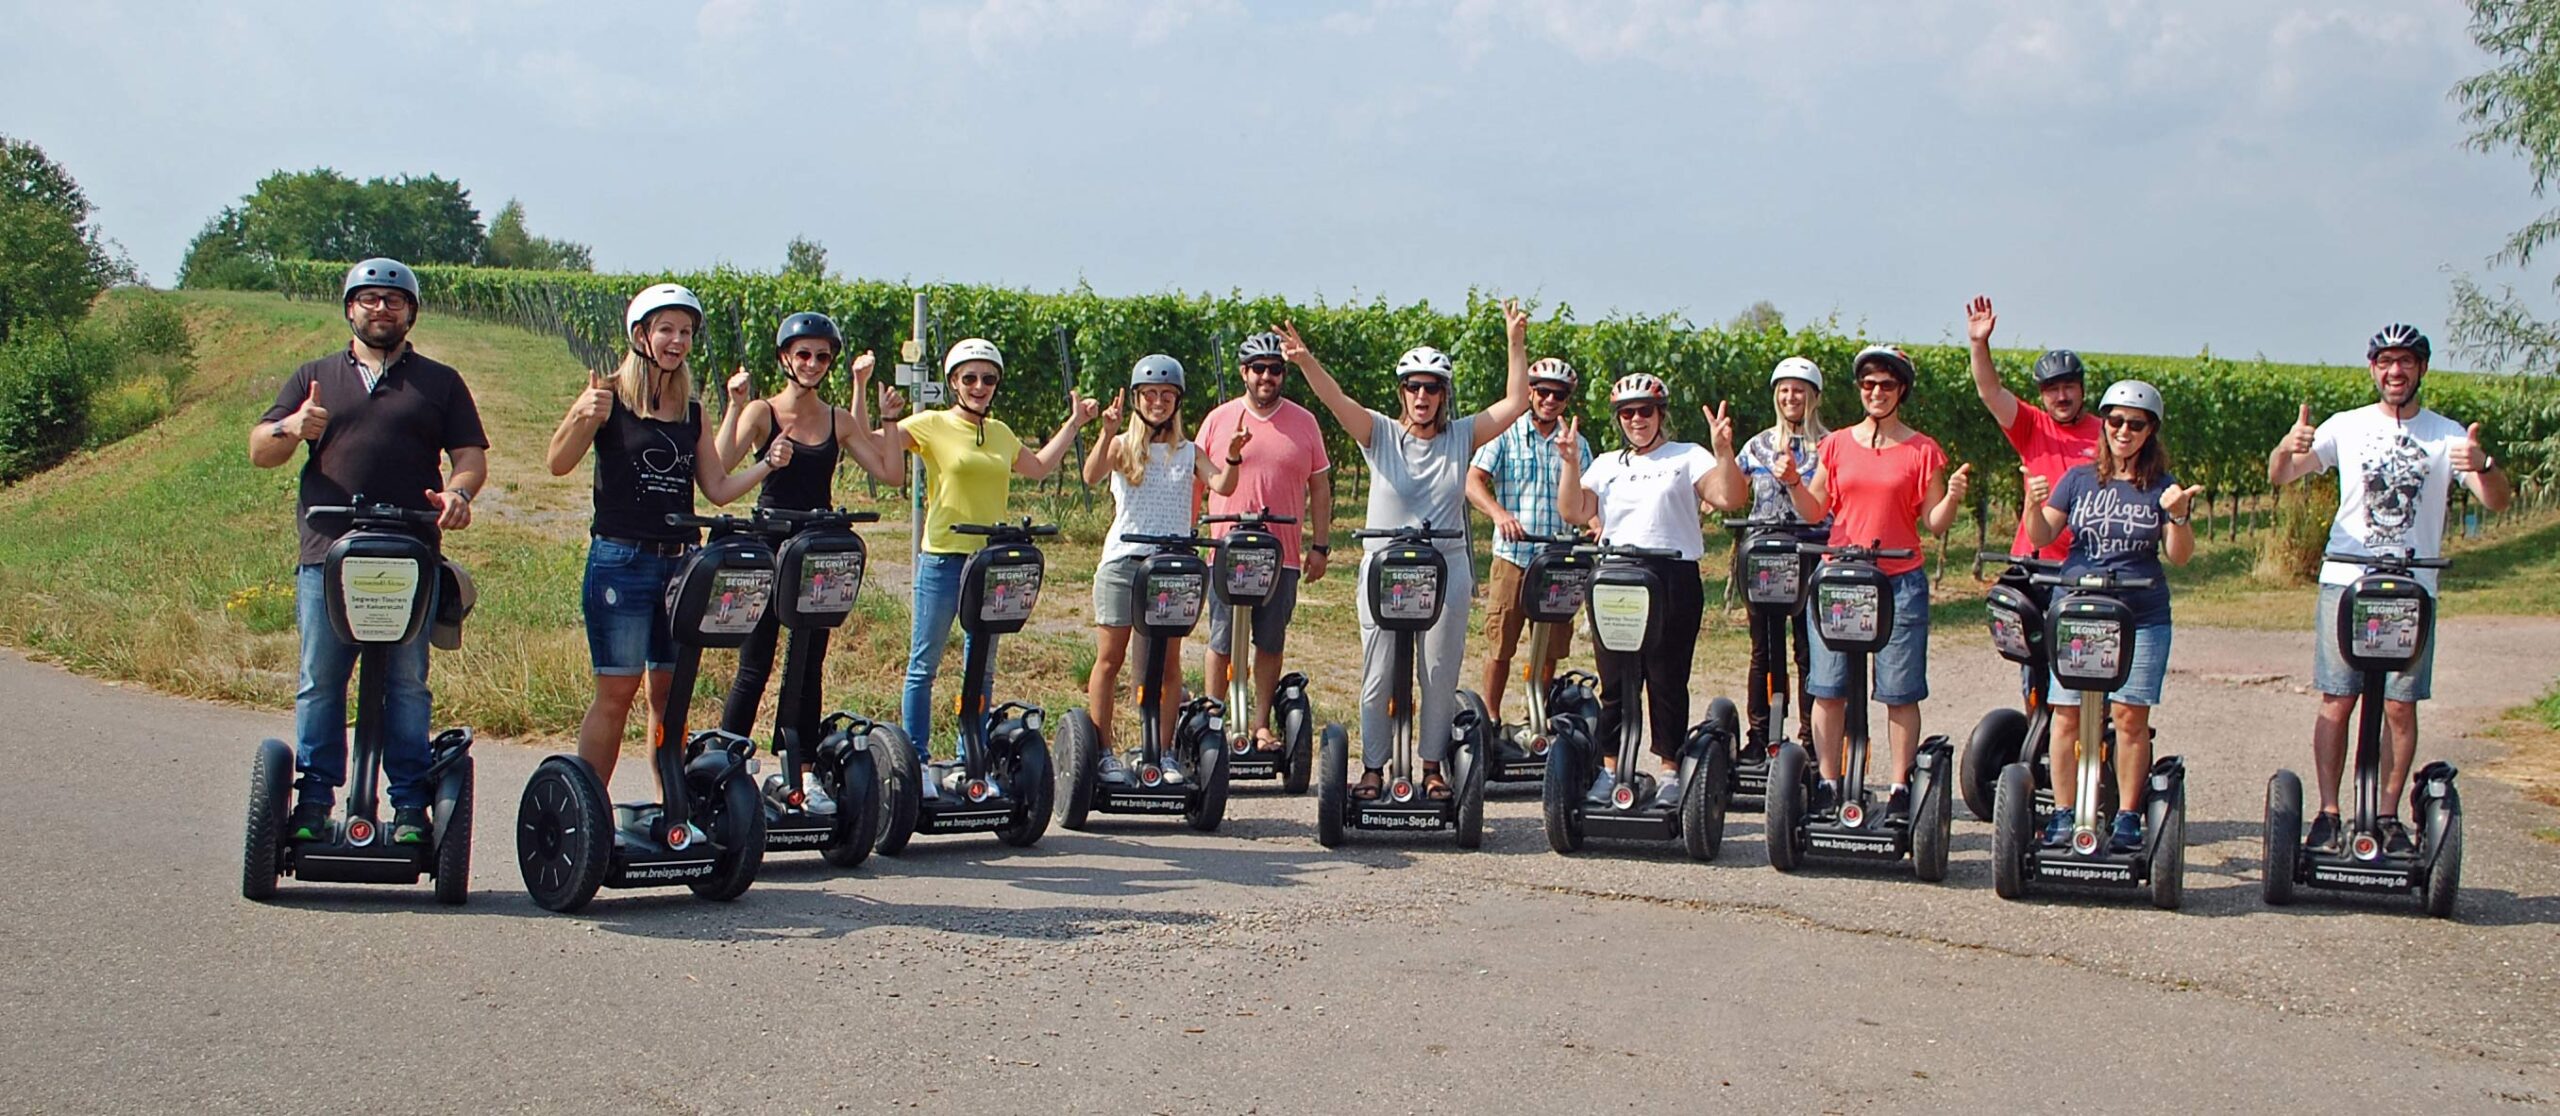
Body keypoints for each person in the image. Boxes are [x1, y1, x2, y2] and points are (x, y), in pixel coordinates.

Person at [250, 257, 489, 846]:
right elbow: (260, 449)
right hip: (328, 551)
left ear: (411, 312)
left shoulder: (439, 382)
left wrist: (458, 494)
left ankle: (409, 806)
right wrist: (293, 428)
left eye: (393, 300)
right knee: (320, 680)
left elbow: (470, 456)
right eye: (369, 299)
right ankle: (312, 802)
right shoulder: (316, 376)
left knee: (407, 683)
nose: (381, 309)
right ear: (349, 308)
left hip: (410, 553)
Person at [2265, 323, 2512, 854]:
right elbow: (2282, 475)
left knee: (2400, 704)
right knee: (2339, 698)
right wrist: (2288, 447)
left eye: (2405, 362)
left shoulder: (2447, 436)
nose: (2394, 371)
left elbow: (2496, 501)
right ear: (2373, 368)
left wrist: (2485, 465)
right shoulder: (2346, 427)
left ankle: (2387, 814)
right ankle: (2329, 815)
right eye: (2385, 362)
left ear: (2421, 368)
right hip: (2347, 580)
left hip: (2412, 587)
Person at [1276, 300, 1532, 800]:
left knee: (1437, 675)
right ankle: (1374, 768)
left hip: (1445, 569)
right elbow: (1337, 402)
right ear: (1403, 392)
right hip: (1384, 571)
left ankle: (1432, 767)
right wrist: (1306, 361)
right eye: (1413, 386)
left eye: (1432, 388)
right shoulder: (1380, 434)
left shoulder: (1461, 436)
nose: (1422, 395)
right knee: (1378, 673)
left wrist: (1515, 342)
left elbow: (1516, 401)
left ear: (1443, 395)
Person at [544, 284, 783, 796]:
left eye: (686, 332)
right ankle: (588, 809)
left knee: (669, 694)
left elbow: (715, 489)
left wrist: (767, 464)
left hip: (679, 566)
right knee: (616, 691)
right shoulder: (607, 396)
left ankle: (671, 807)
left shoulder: (691, 411)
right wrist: (582, 416)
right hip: (621, 560)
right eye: (666, 329)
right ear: (641, 335)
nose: (677, 341)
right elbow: (557, 462)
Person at [843, 337, 1101, 795]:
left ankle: (971, 756)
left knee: (980, 667)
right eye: (969, 378)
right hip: (944, 556)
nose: (979, 386)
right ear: (953, 382)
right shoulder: (931, 424)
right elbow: (864, 441)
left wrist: (1076, 423)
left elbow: (1039, 467)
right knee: (925, 663)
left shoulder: (1000, 432)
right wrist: (861, 387)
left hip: (989, 562)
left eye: (988, 379)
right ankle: (916, 761)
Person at [708, 310, 895, 814]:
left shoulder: (838, 419)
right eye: (803, 354)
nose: (812, 363)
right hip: (771, 548)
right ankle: (727, 764)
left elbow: (890, 472)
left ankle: (802, 772)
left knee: (808, 665)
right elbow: (720, 470)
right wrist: (735, 406)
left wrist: (891, 421)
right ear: (785, 358)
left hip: (816, 552)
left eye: (822, 356)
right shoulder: (763, 414)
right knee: (756, 663)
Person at [1778, 345, 1972, 821]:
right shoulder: (1838, 444)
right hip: (1842, 577)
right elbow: (1816, 510)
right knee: (1827, 687)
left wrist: (1951, 498)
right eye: (1868, 385)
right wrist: (1792, 483)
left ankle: (1901, 787)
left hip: (1898, 579)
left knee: (1899, 691)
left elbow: (1935, 522)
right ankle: (1827, 780)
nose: (1876, 393)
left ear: (1900, 389)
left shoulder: (1922, 449)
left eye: (1886, 385)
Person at [2021, 381, 2202, 851]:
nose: (2123, 430)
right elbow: (2043, 534)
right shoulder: (2079, 479)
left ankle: (2125, 815)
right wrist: (2031, 502)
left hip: (2141, 615)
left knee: (2128, 717)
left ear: (2150, 431)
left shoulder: (2164, 488)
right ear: (2104, 424)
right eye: (2115, 420)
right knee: (2065, 716)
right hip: (2081, 614)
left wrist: (2179, 516)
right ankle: (2064, 813)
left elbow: (2179, 557)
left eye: (2135, 424)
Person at [1554, 375, 1737, 805]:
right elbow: (1575, 510)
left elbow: (1728, 497)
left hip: (1672, 574)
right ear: (1619, 419)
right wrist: (1569, 465)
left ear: (1661, 414)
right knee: (1615, 681)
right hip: (1618, 575)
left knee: (1667, 679)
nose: (1637, 420)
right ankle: (1610, 770)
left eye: (1645, 411)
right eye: (1627, 413)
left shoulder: (1688, 456)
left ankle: (1671, 771)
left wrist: (1724, 451)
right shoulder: (1606, 464)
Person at [1081, 355, 1246, 776]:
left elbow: (1222, 485)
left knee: (1169, 664)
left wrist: (1232, 457)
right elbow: (1090, 475)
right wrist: (1107, 432)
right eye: (1150, 395)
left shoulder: (1189, 452)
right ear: (1137, 399)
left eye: (1166, 395)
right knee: (1110, 658)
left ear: (1177, 401)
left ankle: (1162, 750)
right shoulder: (1122, 447)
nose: (1158, 402)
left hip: (1172, 567)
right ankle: (1101, 753)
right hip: (1124, 562)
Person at [1195, 332, 1334, 753]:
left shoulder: (1304, 422)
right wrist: (1190, 538)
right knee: (1221, 639)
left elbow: (1321, 488)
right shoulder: (1218, 420)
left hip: (1283, 554)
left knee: (1270, 641)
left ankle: (1259, 725)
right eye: (1258, 369)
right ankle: (1214, 716)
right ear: (1244, 373)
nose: (1266, 377)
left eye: (1275, 369)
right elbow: (1197, 482)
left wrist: (1321, 545)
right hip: (1225, 550)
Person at [1711, 356, 1830, 760]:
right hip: (1762, 554)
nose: (1790, 397)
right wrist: (1724, 453)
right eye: (1784, 390)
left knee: (1809, 649)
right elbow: (1733, 493)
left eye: (1798, 390)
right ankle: (1761, 736)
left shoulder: (1829, 446)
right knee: (1763, 649)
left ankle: (1813, 740)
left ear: (1813, 396)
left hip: (1812, 551)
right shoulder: (1757, 445)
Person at [1465, 356, 1591, 723]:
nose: (1550, 400)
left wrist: (1595, 522)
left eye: (1560, 394)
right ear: (1531, 392)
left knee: (1549, 647)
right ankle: (1490, 718)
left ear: (1567, 400)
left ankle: (1536, 714)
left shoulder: (1577, 444)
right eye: (1543, 392)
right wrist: (1499, 514)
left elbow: (1588, 496)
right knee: (1500, 643)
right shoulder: (1505, 434)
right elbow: (1472, 480)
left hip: (1557, 560)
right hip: (1513, 556)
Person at [1965, 295, 2099, 562]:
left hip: (2089, 561)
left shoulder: (2108, 433)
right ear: (2041, 395)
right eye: (2052, 389)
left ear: (2082, 390)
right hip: (2033, 557)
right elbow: (1990, 392)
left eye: (2069, 387)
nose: (2062, 396)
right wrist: (1979, 344)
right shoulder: (2031, 425)